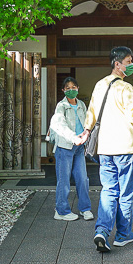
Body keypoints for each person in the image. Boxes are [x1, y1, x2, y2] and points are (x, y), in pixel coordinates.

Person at [79, 46, 133, 251]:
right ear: (118, 64)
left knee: (108, 190)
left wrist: (86, 132)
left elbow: (91, 113)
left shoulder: (99, 85)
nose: (131, 65)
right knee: (127, 192)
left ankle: (102, 230)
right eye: (129, 61)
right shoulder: (125, 87)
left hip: (105, 148)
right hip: (126, 147)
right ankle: (123, 235)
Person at [48, 76, 93, 221]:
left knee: (82, 179)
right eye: (68, 88)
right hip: (65, 147)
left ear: (78, 88)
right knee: (64, 180)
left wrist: (85, 136)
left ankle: (85, 209)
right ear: (63, 90)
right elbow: (60, 125)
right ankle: (61, 211)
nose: (71, 90)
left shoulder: (81, 104)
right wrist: (74, 137)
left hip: (79, 147)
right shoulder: (61, 106)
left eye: (74, 87)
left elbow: (86, 122)